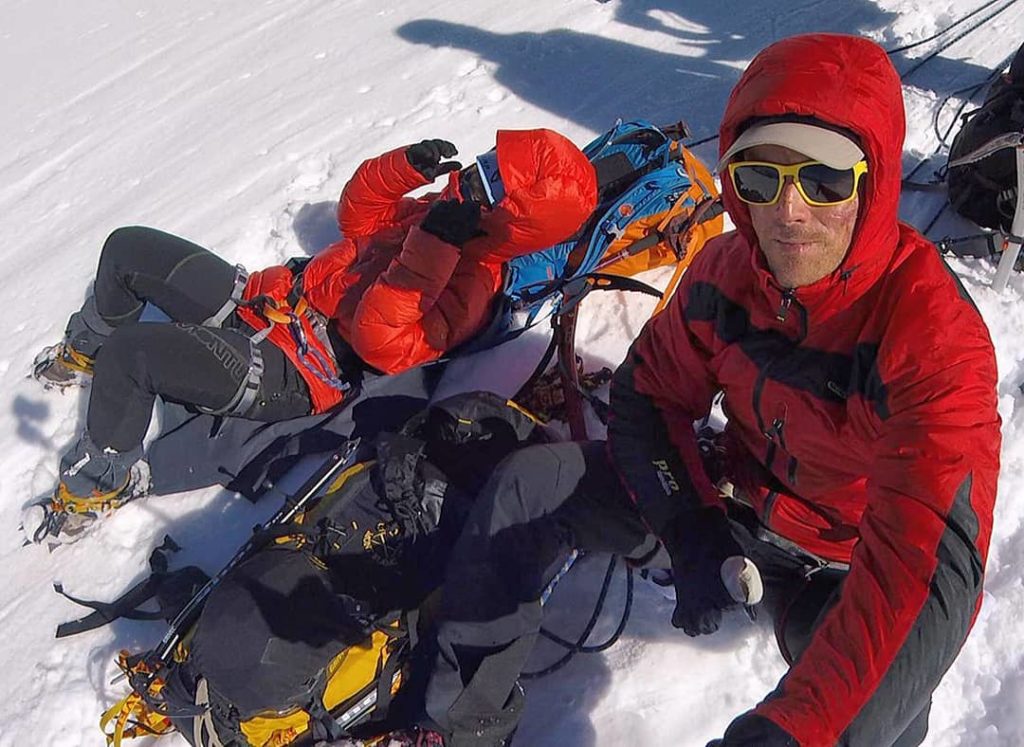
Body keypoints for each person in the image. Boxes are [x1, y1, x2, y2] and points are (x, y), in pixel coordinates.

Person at [379, 34, 1001, 747]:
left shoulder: (930, 335)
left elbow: (923, 571)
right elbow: (649, 397)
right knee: (532, 484)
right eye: (760, 178)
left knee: (881, 706)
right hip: (727, 505)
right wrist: (687, 519)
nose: (788, 212)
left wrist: (795, 731)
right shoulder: (723, 274)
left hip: (837, 564)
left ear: (875, 181)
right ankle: (461, 724)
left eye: (825, 180)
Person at [24, 128, 598, 544]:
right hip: (267, 301)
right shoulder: (443, 211)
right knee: (128, 247)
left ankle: (97, 483)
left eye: (495, 178)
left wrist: (433, 247)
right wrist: (404, 169)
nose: (479, 174)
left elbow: (380, 342)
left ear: (509, 217)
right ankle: (84, 349)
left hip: (296, 369)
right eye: (492, 161)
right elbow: (357, 217)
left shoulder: (473, 280)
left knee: (135, 356)